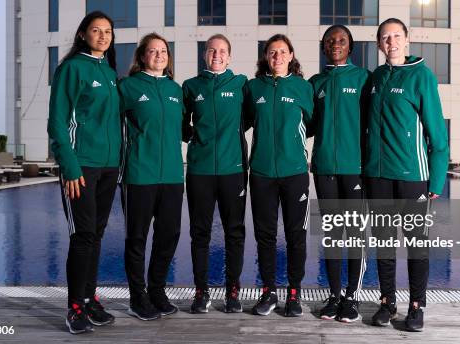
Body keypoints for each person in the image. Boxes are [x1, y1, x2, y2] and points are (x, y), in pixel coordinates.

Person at [363, 18, 449, 332]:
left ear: (407, 40)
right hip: (379, 176)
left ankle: (416, 306)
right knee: (384, 243)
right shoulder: (375, 78)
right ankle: (387, 302)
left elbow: (437, 136)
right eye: (385, 37)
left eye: (396, 36)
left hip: (413, 176)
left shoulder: (422, 77)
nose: (391, 42)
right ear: (378, 44)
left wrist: (436, 181)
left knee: (416, 245)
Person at [47, 11, 121, 334]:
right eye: (96, 30)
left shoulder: (109, 72)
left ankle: (90, 300)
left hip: (107, 167)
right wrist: (70, 165)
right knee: (83, 236)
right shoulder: (71, 69)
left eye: (108, 31)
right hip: (81, 167)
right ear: (82, 34)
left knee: (96, 234)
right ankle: (74, 307)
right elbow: (57, 122)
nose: (103, 36)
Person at [244, 34, 314, 317]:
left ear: (291, 55)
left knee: (296, 235)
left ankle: (294, 293)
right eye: (272, 52)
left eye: (282, 52)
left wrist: (291, 147)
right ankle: (269, 291)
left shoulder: (302, 87)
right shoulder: (252, 88)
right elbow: (244, 122)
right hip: (261, 172)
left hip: (295, 171)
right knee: (265, 236)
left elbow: (310, 124)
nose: (277, 56)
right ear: (265, 57)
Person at [118, 33, 184, 321]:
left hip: (172, 175)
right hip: (139, 174)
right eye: (153, 51)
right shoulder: (128, 87)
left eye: (163, 51)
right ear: (142, 56)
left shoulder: (175, 89)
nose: (159, 55)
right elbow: (109, 123)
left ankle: (157, 290)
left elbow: (186, 128)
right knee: (137, 238)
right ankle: (137, 296)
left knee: (168, 235)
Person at [309, 24, 371, 323]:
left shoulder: (363, 79)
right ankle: (334, 296)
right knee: (333, 236)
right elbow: (304, 124)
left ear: (351, 47)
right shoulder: (315, 82)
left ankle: (353, 296)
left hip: (355, 170)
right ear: (324, 47)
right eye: (330, 40)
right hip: (324, 170)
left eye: (342, 40)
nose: (336, 44)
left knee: (355, 235)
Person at [182, 34, 248, 314]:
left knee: (234, 233)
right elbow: (180, 123)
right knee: (200, 234)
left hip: (233, 170)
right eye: (211, 50)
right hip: (200, 171)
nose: (217, 55)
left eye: (222, 51)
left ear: (229, 56)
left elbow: (252, 117)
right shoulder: (190, 86)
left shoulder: (241, 84)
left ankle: (233, 290)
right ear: (204, 55)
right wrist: (198, 140)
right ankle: (202, 291)